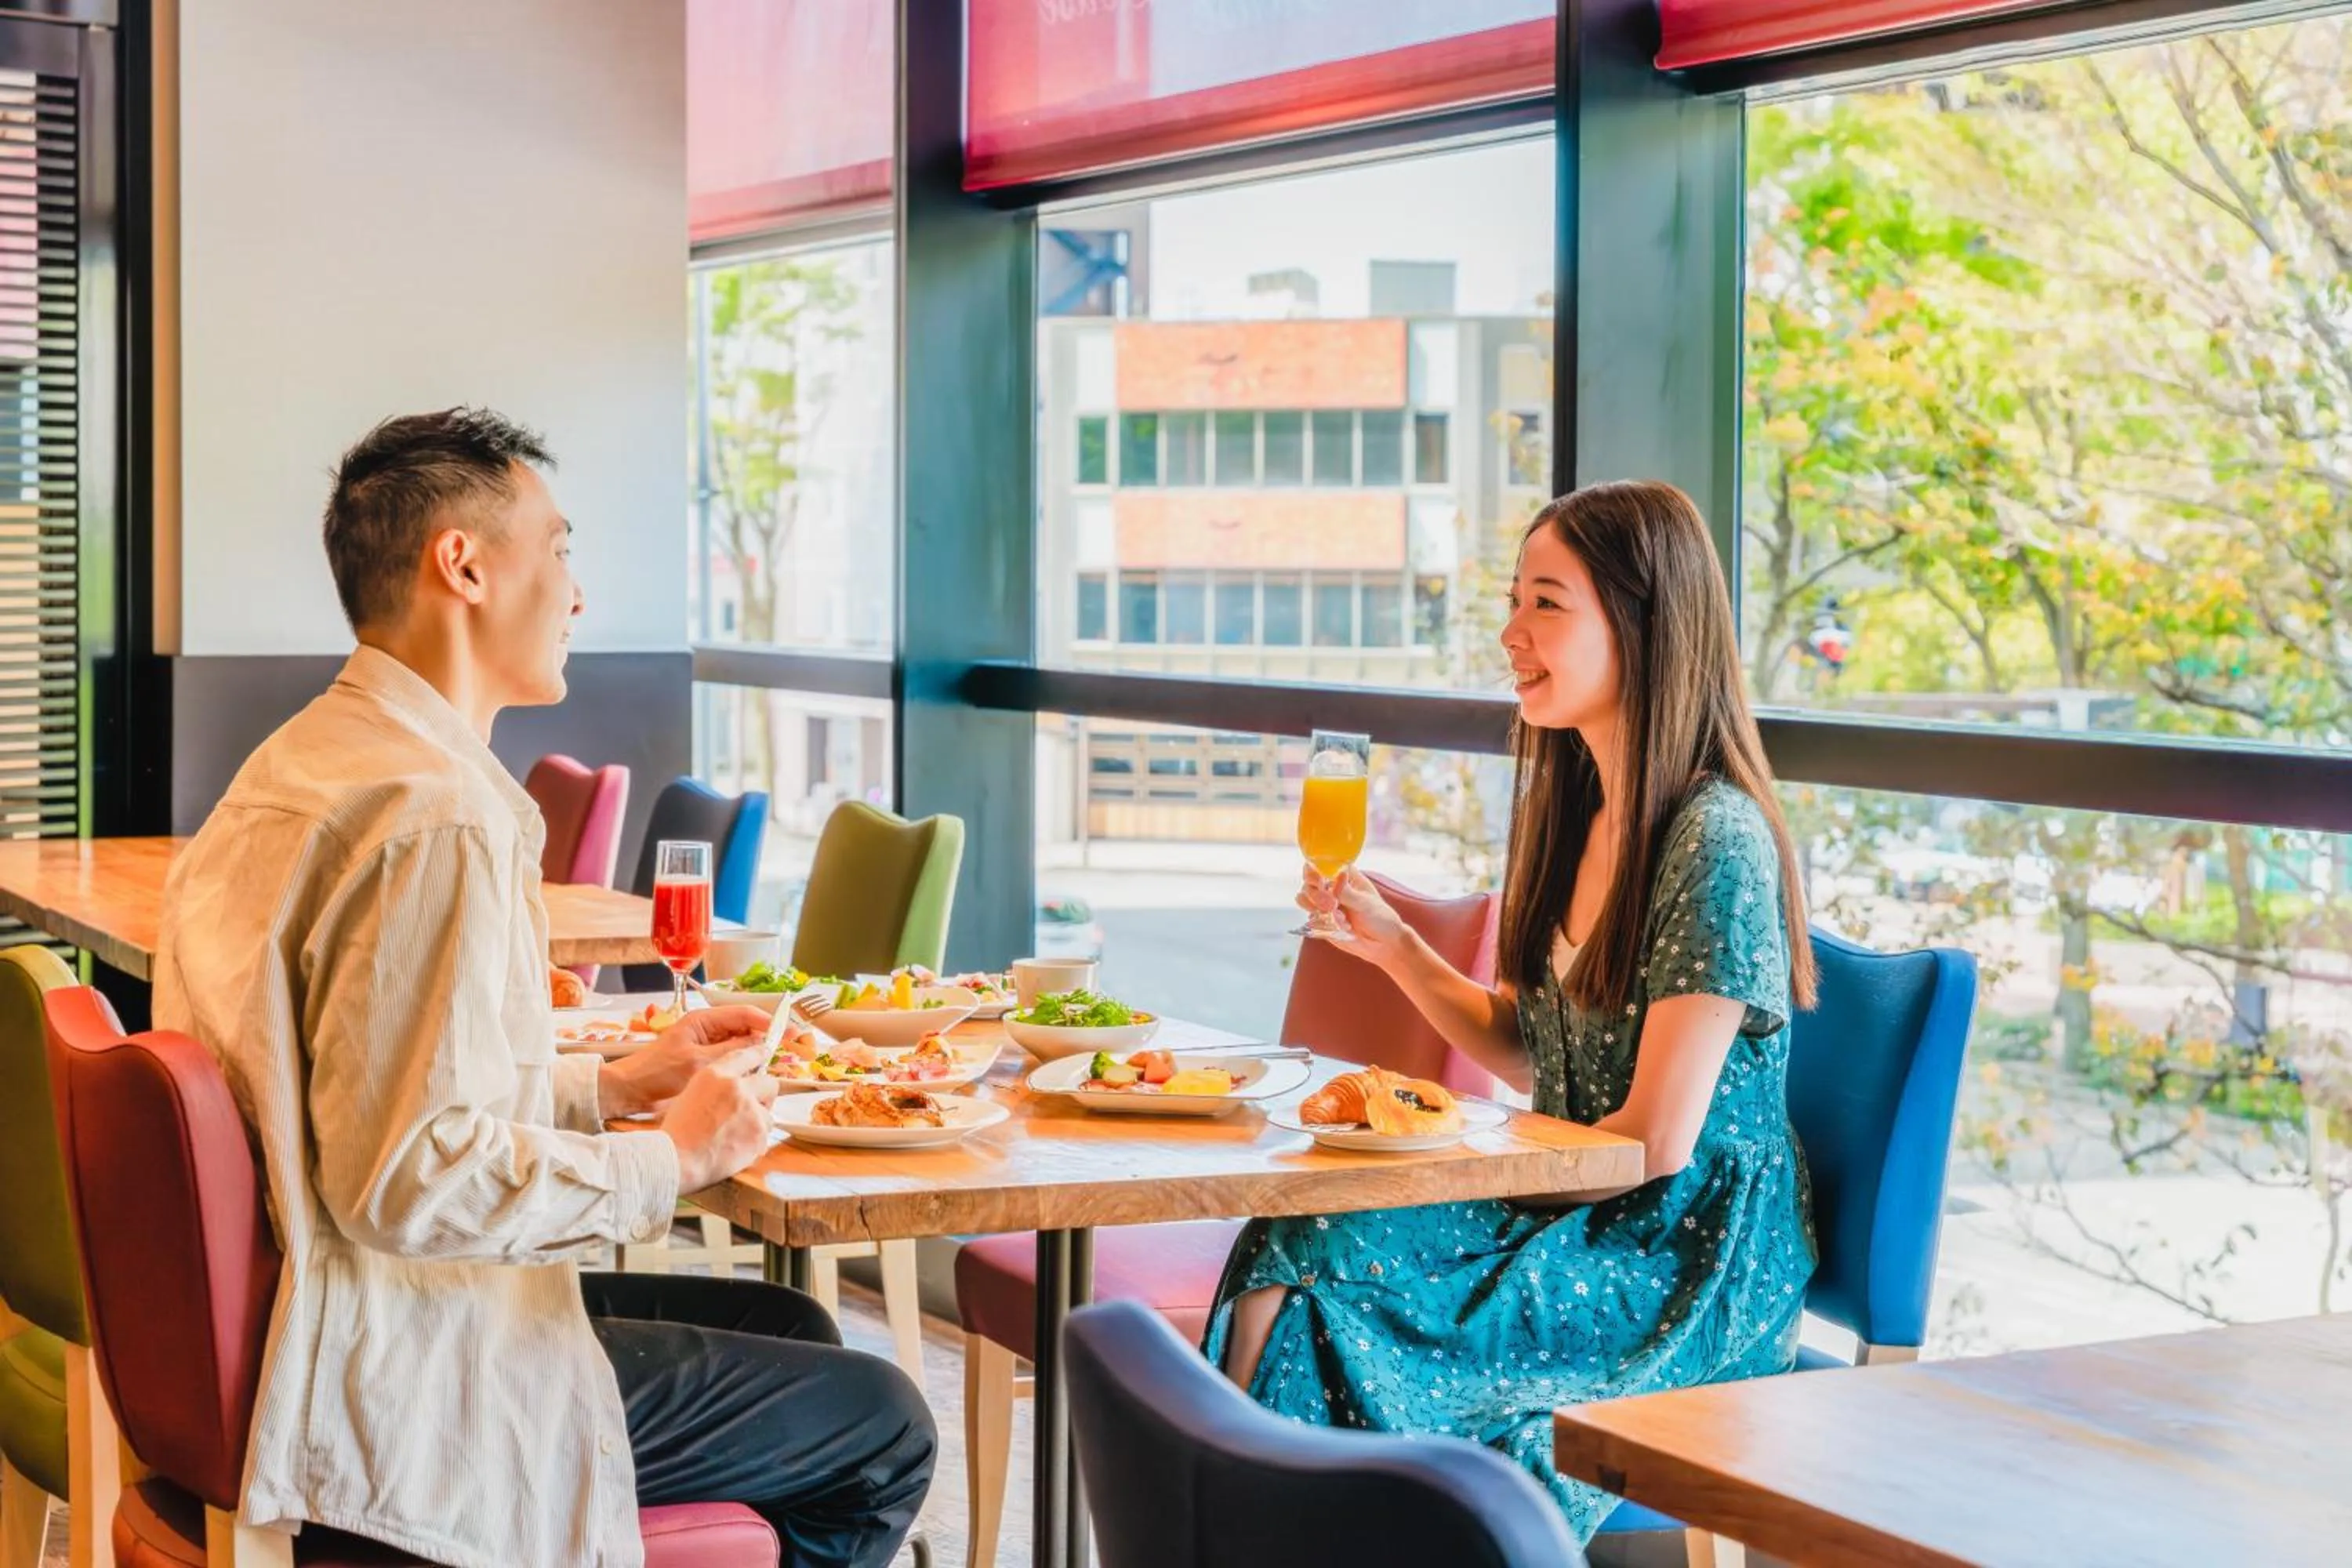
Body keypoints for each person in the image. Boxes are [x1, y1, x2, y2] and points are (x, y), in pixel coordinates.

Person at [155, 408, 935, 1568]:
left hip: (295, 1321)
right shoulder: (439, 813)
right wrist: (670, 1160)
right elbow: (405, 1176)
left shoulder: (308, 760)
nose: (577, 594)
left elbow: (357, 1097)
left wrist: (618, 1083)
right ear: (461, 564)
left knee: (794, 1326)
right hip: (392, 1367)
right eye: (560, 548)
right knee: (888, 1427)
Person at [1209, 480, 1820, 1540]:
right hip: (1586, 1206)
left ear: (1643, 623)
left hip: (1679, 1260)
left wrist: (1470, 1170)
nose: (1511, 632)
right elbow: (1538, 1062)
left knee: (1342, 1310)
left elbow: (1656, 1142)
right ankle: (1237, 1539)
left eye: (1547, 603)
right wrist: (1396, 950)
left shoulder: (1713, 842)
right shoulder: (1571, 808)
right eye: (1514, 599)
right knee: (1297, 1238)